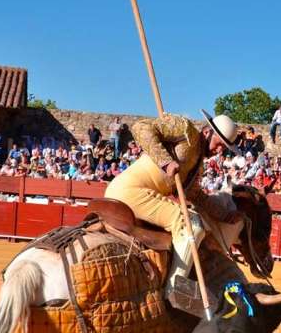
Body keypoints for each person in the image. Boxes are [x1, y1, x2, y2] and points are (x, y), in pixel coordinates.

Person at [103, 110, 242, 310]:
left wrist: (224, 215)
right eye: (219, 143)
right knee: (192, 226)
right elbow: (141, 127)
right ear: (207, 132)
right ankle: (173, 292)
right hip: (131, 191)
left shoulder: (198, 166)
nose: (220, 150)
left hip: (142, 193)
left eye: (224, 147)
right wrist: (165, 161)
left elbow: (196, 196)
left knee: (193, 222)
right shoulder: (186, 130)